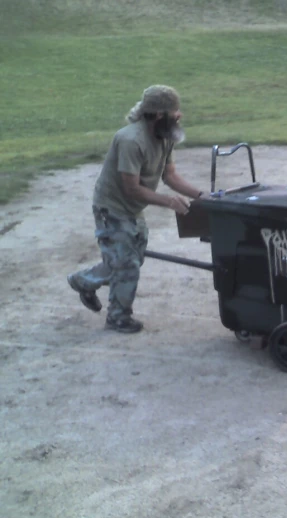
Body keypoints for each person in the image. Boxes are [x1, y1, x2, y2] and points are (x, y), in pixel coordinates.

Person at [67, 85, 205, 333]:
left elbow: (170, 175)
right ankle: (118, 318)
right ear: (159, 114)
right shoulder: (130, 139)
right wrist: (169, 202)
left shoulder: (165, 136)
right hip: (111, 208)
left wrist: (204, 196)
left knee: (131, 259)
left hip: (132, 208)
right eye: (175, 111)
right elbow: (131, 188)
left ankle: (83, 281)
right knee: (126, 264)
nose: (179, 115)